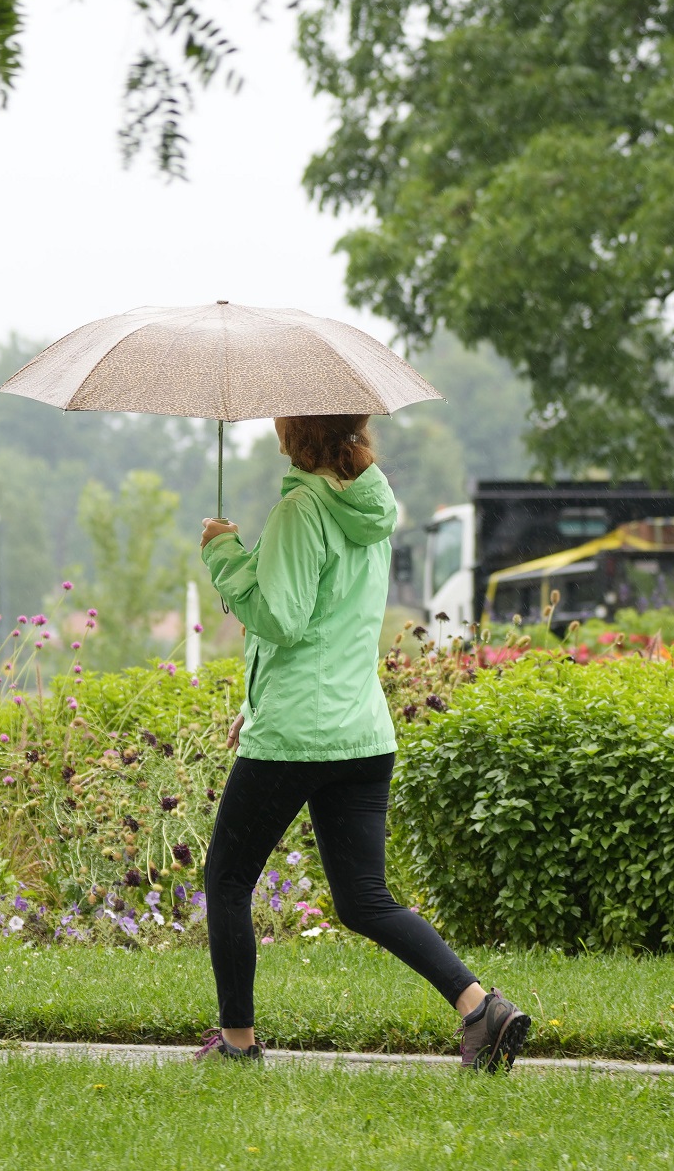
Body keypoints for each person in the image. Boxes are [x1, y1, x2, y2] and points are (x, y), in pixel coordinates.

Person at [192, 413, 530, 1072]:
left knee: (227, 880)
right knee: (364, 899)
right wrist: (252, 703)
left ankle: (236, 1045)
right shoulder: (371, 507)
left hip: (297, 736)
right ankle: (479, 1007)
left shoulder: (298, 510)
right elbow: (328, 621)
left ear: (296, 434)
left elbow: (283, 619)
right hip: (360, 731)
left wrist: (224, 555)